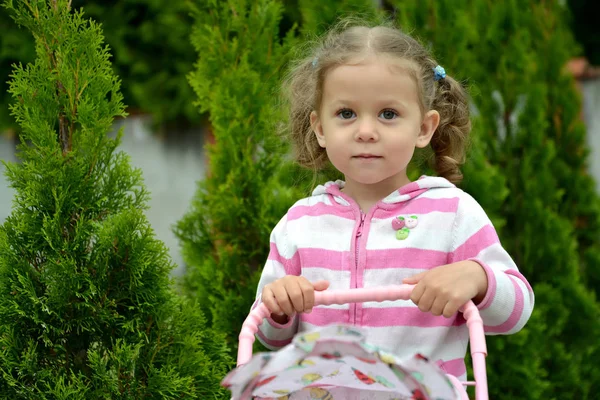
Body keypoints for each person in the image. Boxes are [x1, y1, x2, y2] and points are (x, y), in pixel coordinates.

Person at [252, 21, 534, 380]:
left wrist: (478, 277)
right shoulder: (300, 224)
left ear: (423, 128)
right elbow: (270, 336)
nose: (366, 132)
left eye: (388, 114)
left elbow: (517, 312)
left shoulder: (452, 215)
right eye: (346, 114)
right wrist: (279, 307)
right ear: (320, 128)